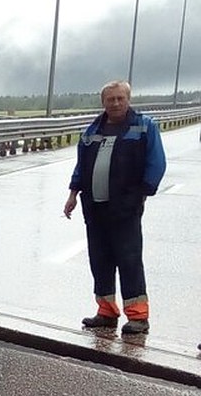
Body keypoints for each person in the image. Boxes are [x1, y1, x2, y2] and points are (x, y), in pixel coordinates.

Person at [63, 80, 165, 336]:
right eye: (111, 99)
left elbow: (157, 162)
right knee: (100, 260)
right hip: (95, 207)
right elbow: (81, 166)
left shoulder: (143, 127)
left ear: (128, 99)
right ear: (103, 102)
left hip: (125, 206)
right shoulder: (91, 130)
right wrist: (73, 194)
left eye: (120, 98)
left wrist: (142, 193)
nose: (116, 103)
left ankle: (138, 317)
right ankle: (107, 312)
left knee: (129, 259)